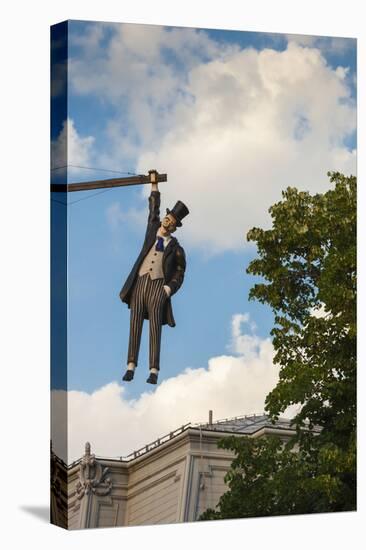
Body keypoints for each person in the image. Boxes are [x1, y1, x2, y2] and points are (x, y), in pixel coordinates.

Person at [119, 180, 189, 385]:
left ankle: (154, 369)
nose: (167, 223)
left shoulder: (176, 248)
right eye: (167, 218)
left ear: (175, 228)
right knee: (135, 322)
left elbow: (180, 271)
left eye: (172, 222)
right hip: (140, 281)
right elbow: (153, 209)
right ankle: (130, 365)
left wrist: (168, 288)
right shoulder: (152, 230)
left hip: (159, 286)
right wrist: (154, 186)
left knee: (155, 328)